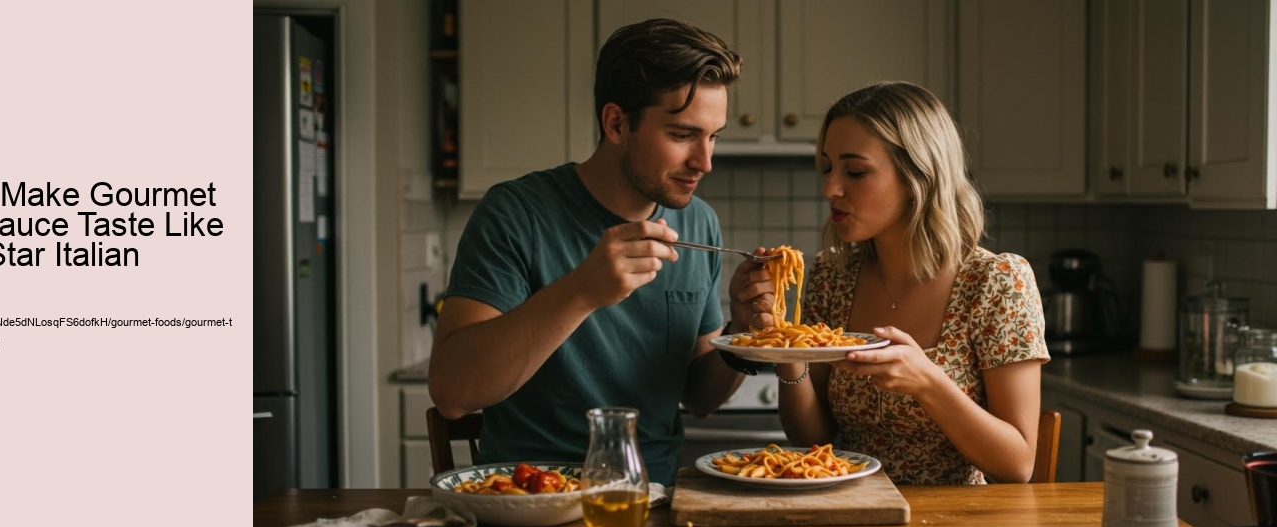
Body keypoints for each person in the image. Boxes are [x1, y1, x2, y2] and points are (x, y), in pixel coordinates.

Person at [427, 18, 767, 487]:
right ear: (616, 123)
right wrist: (581, 292)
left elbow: (700, 397)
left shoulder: (698, 221)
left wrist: (744, 334)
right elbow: (453, 393)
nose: (704, 162)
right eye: (683, 135)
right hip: (530, 496)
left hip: (655, 498)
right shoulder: (516, 212)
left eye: (713, 136)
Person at [760, 81, 1049, 484]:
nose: (830, 188)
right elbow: (813, 437)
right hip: (853, 514)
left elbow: (1017, 464)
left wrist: (928, 383)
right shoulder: (831, 276)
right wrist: (786, 353)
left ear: (918, 177)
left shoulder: (995, 282)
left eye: (855, 171)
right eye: (827, 167)